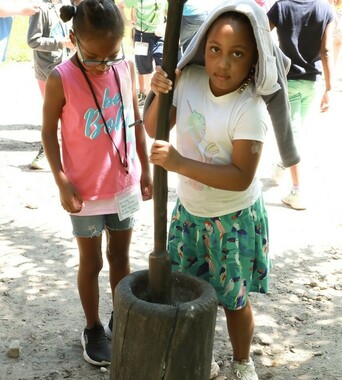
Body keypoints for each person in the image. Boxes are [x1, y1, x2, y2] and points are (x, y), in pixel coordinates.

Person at [144, 1, 281, 378]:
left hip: (232, 220)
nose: (223, 63)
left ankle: (241, 361)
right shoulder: (188, 81)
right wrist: (158, 91)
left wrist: (179, 164)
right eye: (215, 51)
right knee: (191, 293)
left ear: (253, 60)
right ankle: (200, 353)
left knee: (234, 300)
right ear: (203, 49)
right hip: (190, 213)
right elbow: (154, 125)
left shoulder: (249, 108)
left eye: (237, 54)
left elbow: (241, 176)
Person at [41, 0, 152, 366]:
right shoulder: (61, 77)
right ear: (73, 39)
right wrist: (61, 181)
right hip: (84, 193)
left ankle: (121, 316)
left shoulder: (124, 68)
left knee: (120, 257)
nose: (103, 64)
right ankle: (92, 327)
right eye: (93, 57)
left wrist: (146, 169)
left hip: (123, 186)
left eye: (110, 55)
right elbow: (48, 133)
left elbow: (134, 122)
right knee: (91, 263)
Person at [268, 0, 334, 210]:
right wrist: (329, 87)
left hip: (288, 79)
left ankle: (297, 190)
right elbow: (327, 50)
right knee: (297, 131)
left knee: (294, 133)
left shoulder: (281, 6)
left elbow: (260, 33)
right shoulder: (325, 9)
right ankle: (283, 167)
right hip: (311, 82)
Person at [27, 0, 75, 170]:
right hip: (47, 71)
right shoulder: (41, 9)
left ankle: (72, 154)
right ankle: (46, 152)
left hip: (68, 66)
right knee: (53, 113)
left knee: (70, 111)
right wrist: (62, 43)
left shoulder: (68, 4)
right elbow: (33, 41)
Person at [118, 0, 167, 106]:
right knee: (145, 69)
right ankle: (151, 97)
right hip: (142, 36)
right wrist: (126, 21)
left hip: (159, 35)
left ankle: (162, 97)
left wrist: (164, 24)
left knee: (163, 65)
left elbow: (168, 10)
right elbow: (120, 5)